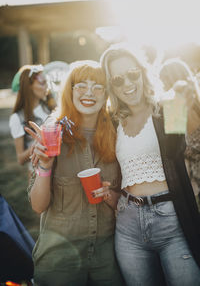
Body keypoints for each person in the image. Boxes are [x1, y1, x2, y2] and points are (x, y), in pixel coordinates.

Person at [100, 43, 200, 286]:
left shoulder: (166, 107)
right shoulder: (113, 121)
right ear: (111, 86)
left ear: (142, 72)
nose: (128, 84)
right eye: (118, 80)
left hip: (171, 220)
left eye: (132, 74)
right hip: (128, 226)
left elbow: (191, 145)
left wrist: (186, 105)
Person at [25, 60, 124, 286]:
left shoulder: (119, 135)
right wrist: (45, 166)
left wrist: (109, 195)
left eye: (98, 86)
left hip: (107, 256)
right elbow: (38, 206)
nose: (89, 92)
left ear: (106, 93)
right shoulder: (52, 134)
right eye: (81, 85)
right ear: (69, 90)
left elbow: (127, 204)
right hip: (60, 257)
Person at [159, 58, 200, 211]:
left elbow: (180, 149)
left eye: (164, 81)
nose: (162, 86)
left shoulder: (179, 106)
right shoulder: (194, 102)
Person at [9, 65, 53, 179]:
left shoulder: (50, 108)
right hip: (38, 175)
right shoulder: (17, 118)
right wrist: (40, 143)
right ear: (29, 86)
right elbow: (20, 159)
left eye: (47, 82)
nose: (46, 87)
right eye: (42, 83)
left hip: (59, 172)